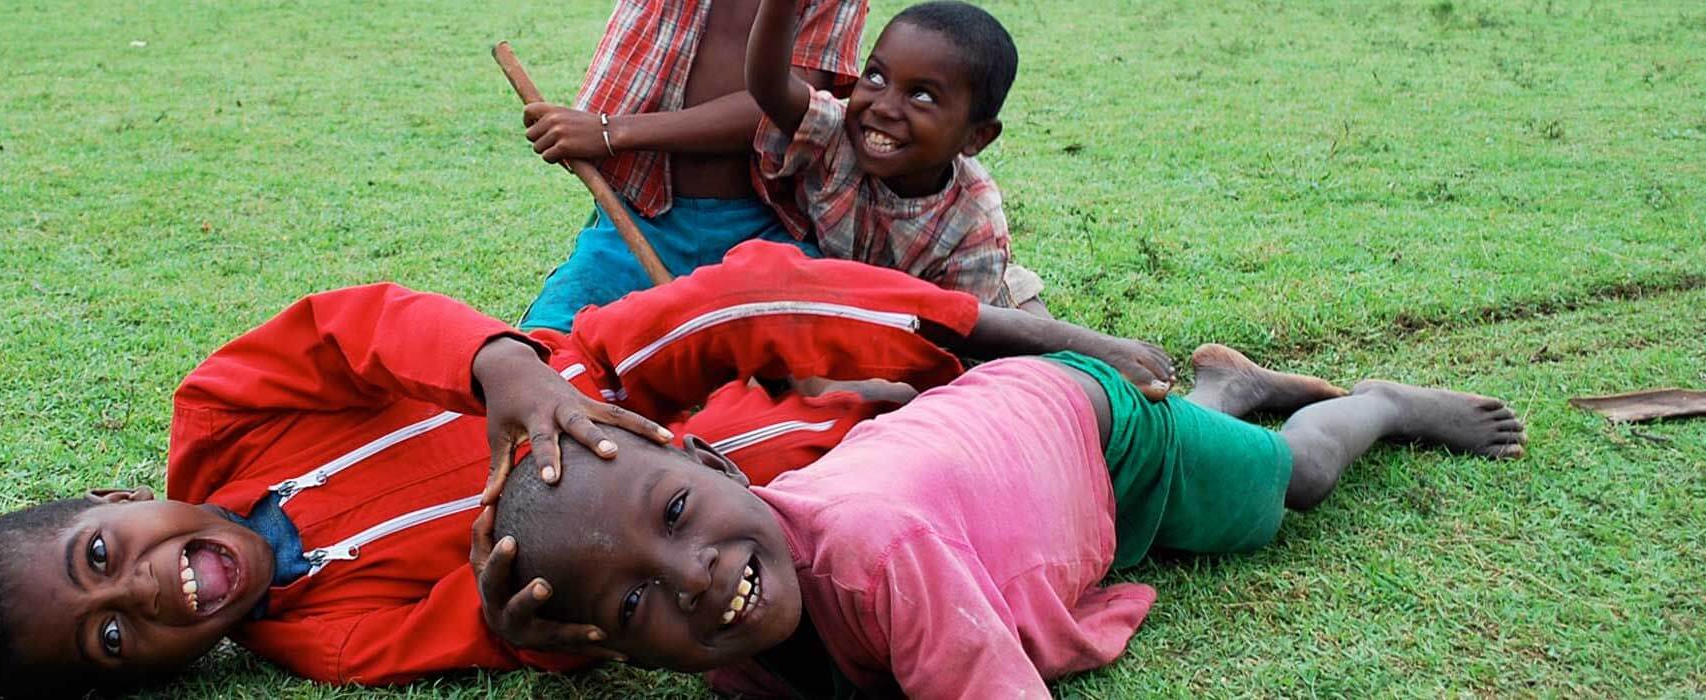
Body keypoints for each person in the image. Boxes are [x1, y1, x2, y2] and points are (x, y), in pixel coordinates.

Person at [0, 241, 1174, 697]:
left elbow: (353, 324)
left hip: (594, 376)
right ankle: (885, 395)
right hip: (667, 509)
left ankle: (1018, 329)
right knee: (819, 460)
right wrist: (518, 624)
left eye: (101, 558)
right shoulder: (310, 641)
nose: (148, 593)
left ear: (109, 503)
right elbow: (486, 626)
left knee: (734, 294)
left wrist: (500, 368)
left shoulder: (215, 415)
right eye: (111, 639)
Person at [485, 311, 1528, 697]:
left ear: (716, 464)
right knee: (1219, 455)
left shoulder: (871, 553)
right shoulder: (739, 625)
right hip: (1009, 450)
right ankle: (1228, 389)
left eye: (674, 516)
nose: (694, 575)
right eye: (634, 608)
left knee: (1285, 485)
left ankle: (1380, 405)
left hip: (1096, 431)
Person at [517, 0, 868, 333]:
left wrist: (612, 132)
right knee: (542, 350)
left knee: (826, 356)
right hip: (639, 224)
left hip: (767, 232)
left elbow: (786, 105)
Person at [747, 0, 1043, 312]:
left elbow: (952, 334)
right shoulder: (840, 133)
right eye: (876, 76)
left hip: (971, 298)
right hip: (854, 289)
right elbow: (770, 87)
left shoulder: (973, 228)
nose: (884, 107)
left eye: (922, 95)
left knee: (1040, 341)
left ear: (976, 137)